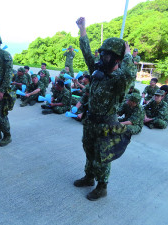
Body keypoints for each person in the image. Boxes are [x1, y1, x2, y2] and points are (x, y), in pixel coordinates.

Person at [74, 17, 137, 201]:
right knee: (89, 151)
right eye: (103, 54)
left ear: (117, 59)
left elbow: (130, 74)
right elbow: (86, 52)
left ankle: (102, 187)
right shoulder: (98, 72)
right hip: (91, 121)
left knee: (102, 157)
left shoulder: (119, 80)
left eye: (108, 55)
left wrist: (128, 54)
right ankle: (89, 177)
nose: (103, 57)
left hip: (105, 125)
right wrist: (82, 29)